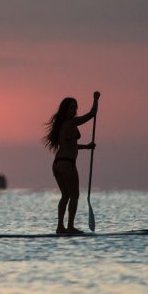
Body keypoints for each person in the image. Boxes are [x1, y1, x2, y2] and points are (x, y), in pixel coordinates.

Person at [43, 92, 100, 234]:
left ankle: (60, 227)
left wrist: (86, 147)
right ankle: (70, 227)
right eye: (70, 108)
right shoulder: (71, 123)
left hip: (58, 164)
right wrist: (95, 99)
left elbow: (70, 146)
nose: (73, 110)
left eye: (75, 107)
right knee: (74, 196)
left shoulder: (62, 125)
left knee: (66, 196)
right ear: (65, 109)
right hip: (67, 164)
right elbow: (92, 114)